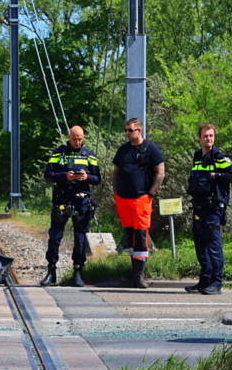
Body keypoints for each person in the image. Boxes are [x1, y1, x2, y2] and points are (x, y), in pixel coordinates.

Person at [40, 125, 101, 287]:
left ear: (84, 138)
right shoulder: (58, 153)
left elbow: (97, 178)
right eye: (74, 139)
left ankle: (78, 272)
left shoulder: (89, 155)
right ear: (69, 137)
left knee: (80, 236)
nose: (77, 142)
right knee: (55, 236)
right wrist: (65, 176)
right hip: (62, 199)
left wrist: (86, 177)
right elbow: (48, 175)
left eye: (80, 139)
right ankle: (51, 271)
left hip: (81, 201)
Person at [185, 122, 232, 295]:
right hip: (199, 206)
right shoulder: (197, 155)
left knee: (213, 245)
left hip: (213, 207)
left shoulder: (219, 156)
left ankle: (216, 283)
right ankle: (204, 280)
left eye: (211, 136)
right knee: (200, 245)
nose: (208, 138)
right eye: (205, 136)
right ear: (199, 138)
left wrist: (216, 175)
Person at [112, 117, 166, 289]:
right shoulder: (123, 150)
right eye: (126, 130)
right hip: (123, 199)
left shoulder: (151, 149)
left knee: (141, 237)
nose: (127, 133)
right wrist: (116, 193)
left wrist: (150, 193)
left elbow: (160, 173)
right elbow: (116, 172)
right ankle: (132, 272)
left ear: (139, 130)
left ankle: (139, 274)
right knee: (130, 236)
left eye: (130, 130)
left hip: (141, 199)